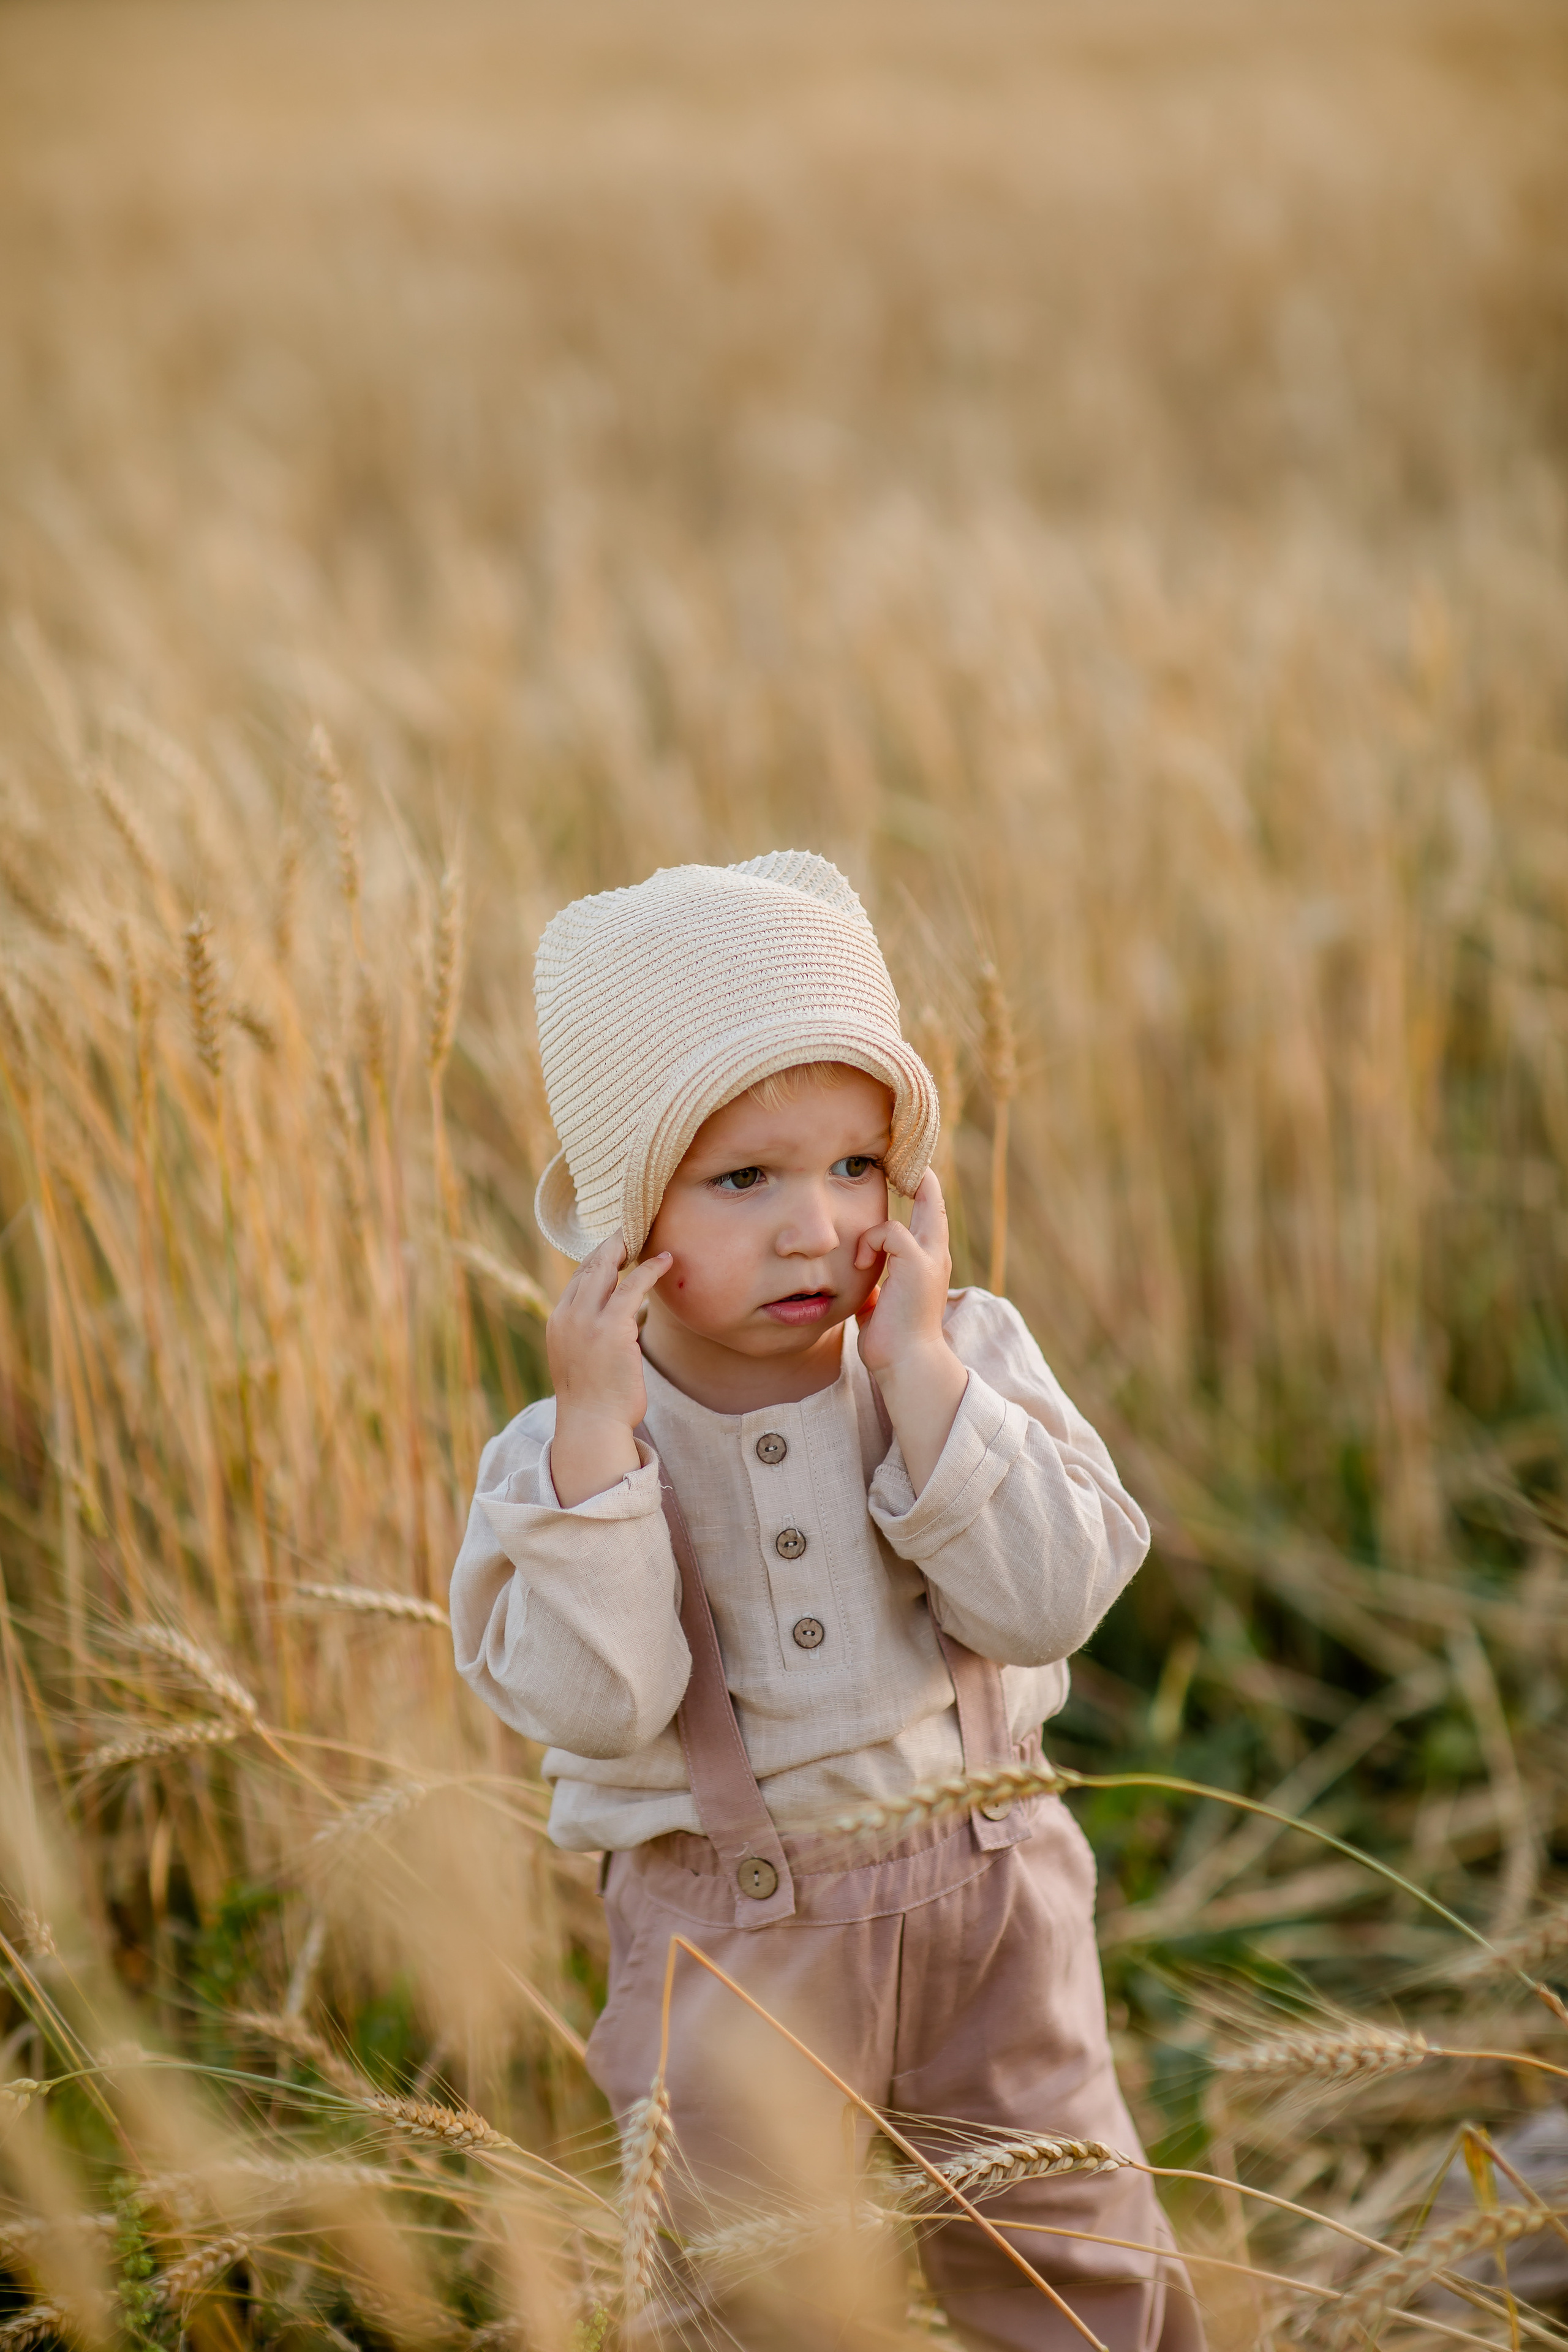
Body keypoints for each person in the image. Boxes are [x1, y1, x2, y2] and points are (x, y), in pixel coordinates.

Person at [450, 851, 1204, 2351]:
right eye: (744, 1179)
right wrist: (600, 1450)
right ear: (622, 1216)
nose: (816, 1227)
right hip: (735, 1937)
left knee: (1073, 2259)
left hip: (992, 1892)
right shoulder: (566, 1453)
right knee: (751, 2295)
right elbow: (595, 1706)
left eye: (854, 1167)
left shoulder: (957, 1356)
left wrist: (921, 1382)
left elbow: (1048, 1602)